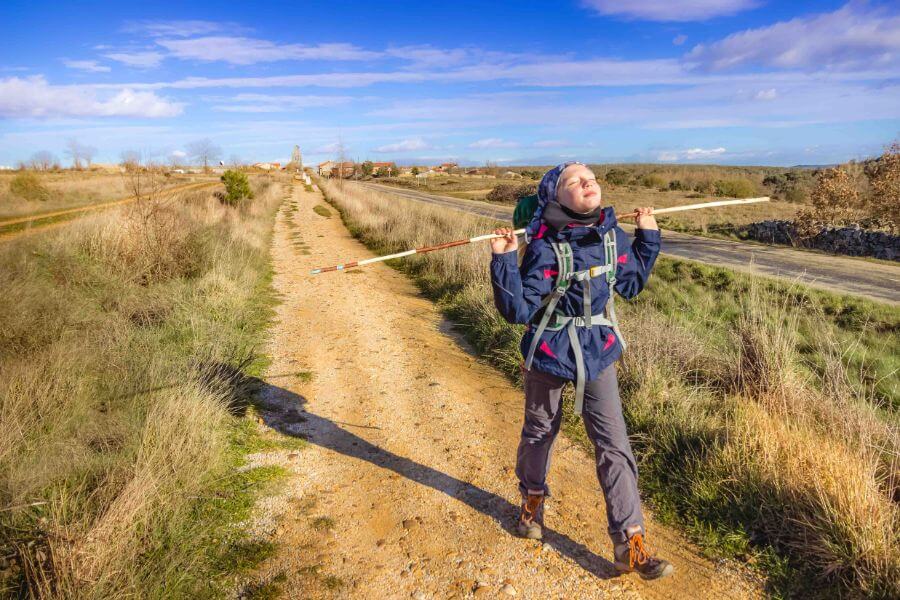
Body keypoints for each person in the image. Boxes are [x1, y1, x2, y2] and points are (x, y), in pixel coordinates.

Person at [489, 162, 672, 580]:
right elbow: (517, 310)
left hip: (598, 353)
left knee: (614, 443)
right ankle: (532, 498)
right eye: (575, 180)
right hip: (549, 354)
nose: (588, 182)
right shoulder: (543, 247)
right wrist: (502, 262)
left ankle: (630, 541)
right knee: (539, 432)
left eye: (591, 177)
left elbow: (630, 284)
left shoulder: (612, 235)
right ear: (556, 197)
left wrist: (648, 237)